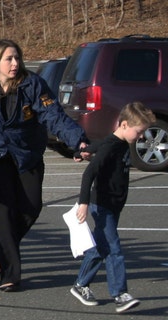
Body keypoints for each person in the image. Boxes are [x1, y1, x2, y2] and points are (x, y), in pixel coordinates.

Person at [0, 39, 89, 292]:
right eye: (9, 59)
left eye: (17, 58)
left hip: (27, 154)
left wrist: (78, 142)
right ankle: (9, 274)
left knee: (31, 207)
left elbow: (54, 116)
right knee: (4, 214)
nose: (15, 63)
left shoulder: (33, 84)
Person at [70, 102, 155, 313]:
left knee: (101, 247)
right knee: (114, 249)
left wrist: (83, 152)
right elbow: (89, 174)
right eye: (139, 132)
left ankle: (81, 285)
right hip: (102, 205)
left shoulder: (118, 142)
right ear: (124, 125)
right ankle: (120, 294)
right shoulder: (112, 146)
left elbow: (98, 144)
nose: (141, 137)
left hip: (114, 205)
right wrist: (83, 203)